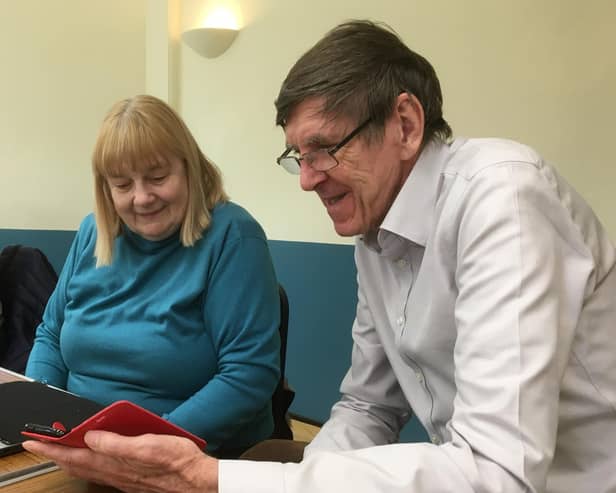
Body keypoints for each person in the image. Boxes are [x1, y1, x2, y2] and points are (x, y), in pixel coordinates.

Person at [24, 20, 616, 493]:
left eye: (324, 150)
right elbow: (367, 407)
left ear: (405, 124)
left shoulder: (502, 197)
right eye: (296, 157)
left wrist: (217, 478)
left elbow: (498, 473)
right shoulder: (376, 233)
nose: (306, 180)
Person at [24, 94, 281, 458]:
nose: (142, 197)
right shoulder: (92, 232)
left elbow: (248, 373)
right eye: (123, 185)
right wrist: (41, 411)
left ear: (189, 168)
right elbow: (51, 333)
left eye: (157, 177)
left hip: (189, 453)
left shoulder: (233, 235)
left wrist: (145, 448)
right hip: (81, 448)